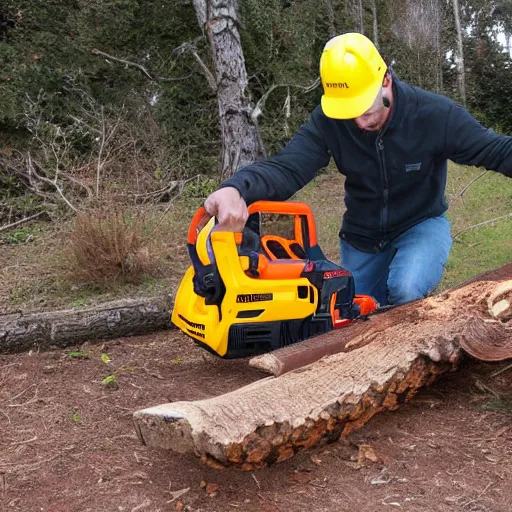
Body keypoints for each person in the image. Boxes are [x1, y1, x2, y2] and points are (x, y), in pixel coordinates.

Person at [203, 32, 512, 307]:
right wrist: (236, 188)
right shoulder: (327, 120)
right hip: (361, 237)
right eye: (349, 112)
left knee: (404, 292)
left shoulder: (434, 115)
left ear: (386, 81)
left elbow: (494, 149)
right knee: (351, 312)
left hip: (421, 224)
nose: (359, 123)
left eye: (365, 110)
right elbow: (288, 167)